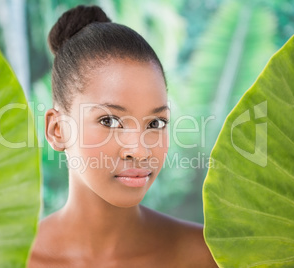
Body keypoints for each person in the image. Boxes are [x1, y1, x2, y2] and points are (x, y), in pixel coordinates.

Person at [29, 5, 217, 267]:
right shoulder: (11, 260)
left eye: (155, 123)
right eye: (109, 120)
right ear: (57, 129)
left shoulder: (206, 256)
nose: (139, 151)